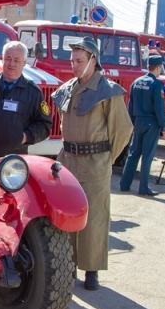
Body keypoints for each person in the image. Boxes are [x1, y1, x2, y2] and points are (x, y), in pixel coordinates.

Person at [51, 38, 133, 290]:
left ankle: (92, 270)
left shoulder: (108, 91)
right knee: (66, 217)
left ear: (93, 61)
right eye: (72, 61)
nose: (74, 66)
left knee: (94, 219)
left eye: (79, 61)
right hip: (68, 163)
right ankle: (70, 265)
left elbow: (122, 130)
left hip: (95, 165)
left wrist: (105, 160)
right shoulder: (67, 89)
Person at [119, 55, 165, 196]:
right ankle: (143, 188)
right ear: (158, 67)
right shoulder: (156, 84)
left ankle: (124, 184)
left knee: (133, 154)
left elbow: (131, 104)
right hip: (151, 123)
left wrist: (132, 123)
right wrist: (164, 127)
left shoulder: (136, 82)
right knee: (147, 156)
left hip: (138, 122)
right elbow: (159, 108)